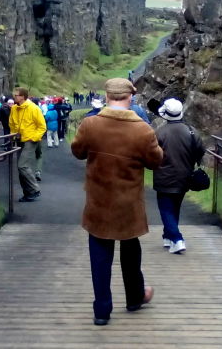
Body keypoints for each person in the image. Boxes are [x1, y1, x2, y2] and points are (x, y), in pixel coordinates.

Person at [71, 78, 164, 326]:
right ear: (130, 97)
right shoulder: (143, 130)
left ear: (107, 95)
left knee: (99, 253)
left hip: (99, 202)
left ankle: (102, 309)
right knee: (131, 248)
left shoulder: (91, 124)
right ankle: (135, 297)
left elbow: (78, 151)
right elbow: (156, 162)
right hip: (128, 202)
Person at [153, 98, 205, 254]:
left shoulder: (159, 133)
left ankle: (176, 238)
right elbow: (200, 151)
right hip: (185, 176)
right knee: (175, 207)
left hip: (163, 177)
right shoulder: (191, 131)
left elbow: (152, 154)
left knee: (166, 209)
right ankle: (167, 236)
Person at [9, 87, 46, 202]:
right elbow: (12, 124)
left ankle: (35, 189)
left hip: (30, 140)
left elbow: (42, 127)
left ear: (22, 96)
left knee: (22, 166)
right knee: (21, 169)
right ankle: (28, 193)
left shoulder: (34, 108)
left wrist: (34, 138)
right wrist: (13, 136)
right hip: (19, 139)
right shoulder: (14, 108)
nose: (14, 97)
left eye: (16, 95)